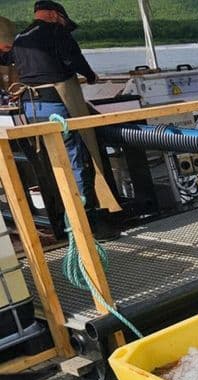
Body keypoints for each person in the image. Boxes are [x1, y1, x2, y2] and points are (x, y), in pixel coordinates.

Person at [4, 1, 118, 239]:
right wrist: (90, 76)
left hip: (31, 107)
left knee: (52, 161)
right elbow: (75, 60)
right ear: (55, 15)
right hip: (58, 104)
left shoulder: (21, 37)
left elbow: (7, 60)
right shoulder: (57, 32)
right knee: (79, 158)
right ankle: (86, 219)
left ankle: (62, 216)